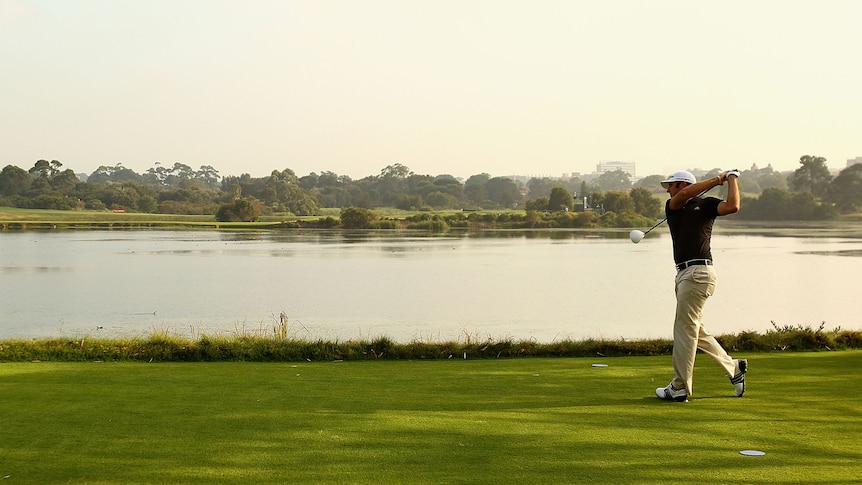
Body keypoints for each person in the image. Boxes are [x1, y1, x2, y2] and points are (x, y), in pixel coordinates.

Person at [655, 169, 748, 402]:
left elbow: (733, 206)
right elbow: (683, 195)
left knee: (685, 329)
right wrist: (719, 179)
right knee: (696, 329)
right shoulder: (673, 206)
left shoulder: (706, 205)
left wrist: (732, 179)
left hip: (699, 273)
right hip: (686, 274)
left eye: (671, 185)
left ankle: (679, 387)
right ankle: (734, 368)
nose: (668, 190)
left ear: (682, 183)